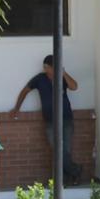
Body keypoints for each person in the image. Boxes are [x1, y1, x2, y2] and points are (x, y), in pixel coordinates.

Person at [10, 55, 82, 186]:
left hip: (65, 119)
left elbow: (74, 86)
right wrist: (17, 108)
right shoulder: (40, 79)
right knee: (56, 150)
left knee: (65, 150)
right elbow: (25, 91)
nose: (48, 69)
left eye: (50, 67)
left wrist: (64, 73)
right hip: (50, 121)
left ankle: (63, 180)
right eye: (47, 67)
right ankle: (75, 171)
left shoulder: (62, 77)